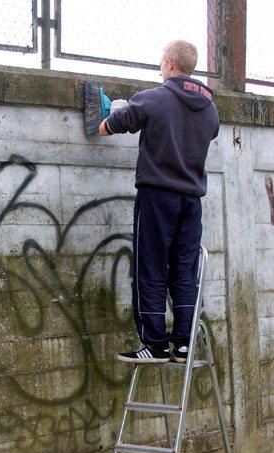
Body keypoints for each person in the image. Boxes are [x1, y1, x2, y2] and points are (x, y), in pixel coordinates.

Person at [98, 40, 219, 364]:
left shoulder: (155, 98)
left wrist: (111, 115)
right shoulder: (209, 108)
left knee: (150, 266)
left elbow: (110, 127)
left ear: (168, 63)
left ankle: (154, 344)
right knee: (184, 271)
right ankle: (182, 345)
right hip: (192, 201)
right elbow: (210, 131)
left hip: (158, 197)